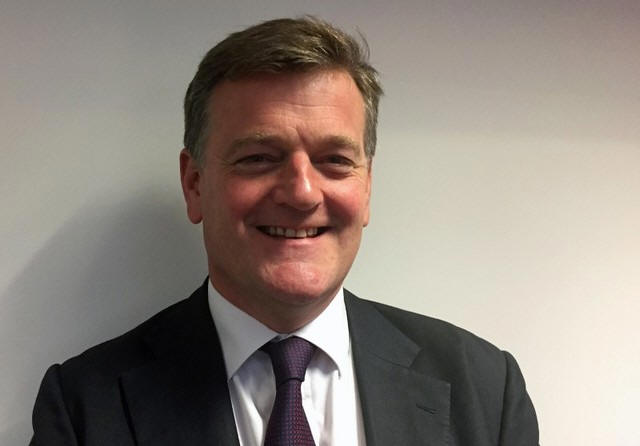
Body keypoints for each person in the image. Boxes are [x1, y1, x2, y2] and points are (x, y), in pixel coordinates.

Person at [30, 17, 538, 445]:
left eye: (334, 160)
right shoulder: (81, 409)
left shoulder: (485, 390)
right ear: (194, 184)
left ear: (366, 187)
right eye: (258, 158)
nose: (301, 193)